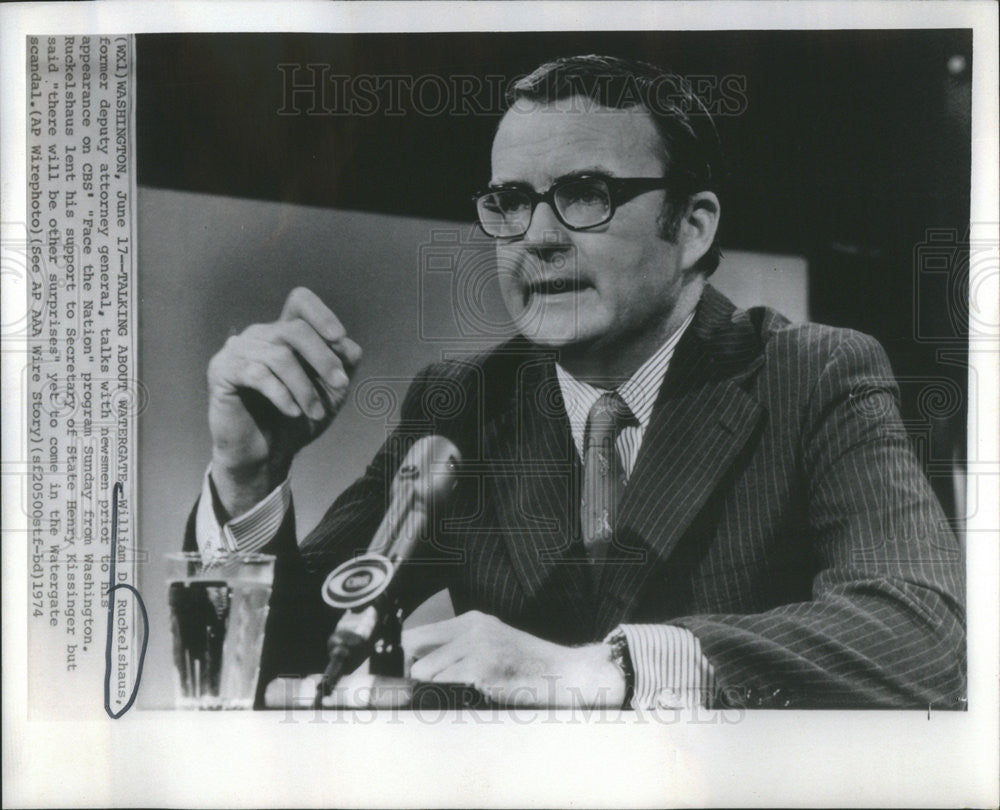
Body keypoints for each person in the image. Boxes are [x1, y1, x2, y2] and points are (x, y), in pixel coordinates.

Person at [185, 55, 966, 710]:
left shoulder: (817, 373)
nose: (539, 238)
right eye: (512, 201)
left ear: (692, 227)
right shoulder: (462, 404)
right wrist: (247, 478)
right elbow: (265, 670)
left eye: (586, 196)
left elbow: (922, 638)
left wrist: (605, 668)